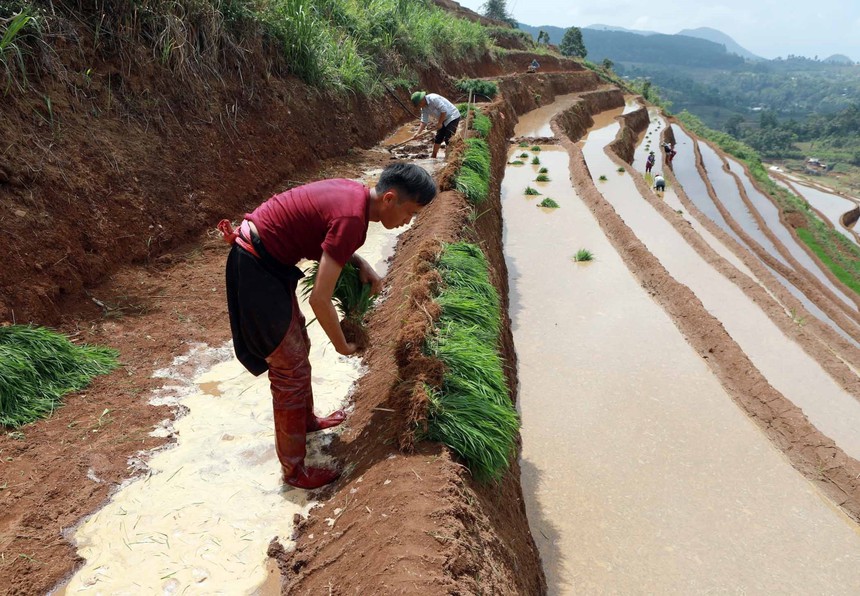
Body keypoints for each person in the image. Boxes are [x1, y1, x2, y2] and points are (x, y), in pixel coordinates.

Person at [219, 163, 437, 489]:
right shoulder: (353, 220)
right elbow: (320, 299)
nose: (408, 221)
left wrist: (361, 263)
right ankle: (294, 471)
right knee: (288, 367)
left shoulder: (354, 196)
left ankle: (305, 420)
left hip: (269, 261)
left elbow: (327, 237)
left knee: (297, 346)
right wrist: (341, 343)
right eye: (411, 212)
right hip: (256, 266)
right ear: (390, 198)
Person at [409, 91, 461, 159]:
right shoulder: (423, 108)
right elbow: (424, 121)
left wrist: (439, 123)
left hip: (452, 116)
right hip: (442, 119)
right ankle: (433, 157)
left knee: (448, 138)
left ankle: (449, 158)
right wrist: (418, 133)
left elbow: (444, 111)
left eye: (418, 104)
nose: (419, 106)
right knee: (438, 138)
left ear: (422, 100)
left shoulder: (433, 99)